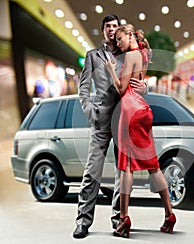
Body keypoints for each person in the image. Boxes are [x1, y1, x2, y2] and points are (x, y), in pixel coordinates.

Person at [73, 15, 147, 239]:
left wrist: (144, 88)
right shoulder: (92, 56)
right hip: (100, 120)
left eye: (115, 26)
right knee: (91, 171)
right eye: (108, 26)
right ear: (103, 30)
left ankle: (119, 221)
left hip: (124, 119)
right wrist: (89, 110)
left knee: (122, 172)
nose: (112, 30)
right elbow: (83, 88)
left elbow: (139, 84)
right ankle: (83, 221)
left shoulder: (129, 54)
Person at [105, 23, 176, 238]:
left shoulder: (131, 56)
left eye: (120, 39)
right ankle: (169, 214)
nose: (118, 43)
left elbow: (121, 88)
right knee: (153, 167)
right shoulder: (144, 53)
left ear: (129, 35)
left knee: (126, 166)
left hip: (129, 111)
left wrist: (111, 70)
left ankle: (124, 218)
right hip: (144, 110)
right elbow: (139, 83)